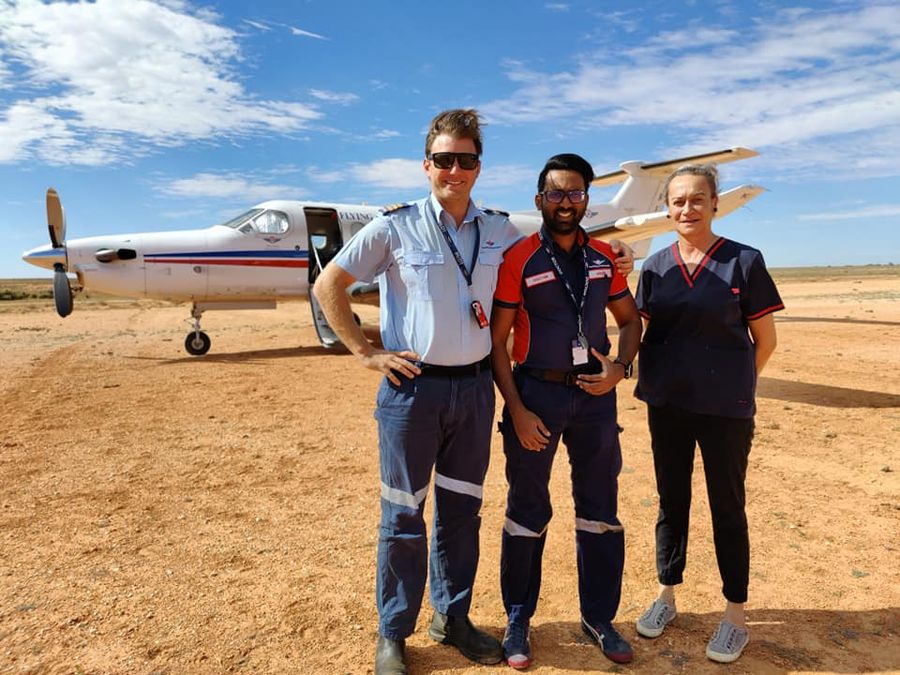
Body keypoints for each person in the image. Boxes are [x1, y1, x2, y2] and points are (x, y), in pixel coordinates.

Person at [314, 110, 634, 674]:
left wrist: (619, 254)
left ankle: (453, 617)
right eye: (444, 159)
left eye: (465, 160)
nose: (454, 170)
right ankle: (393, 631)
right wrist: (366, 352)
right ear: (427, 164)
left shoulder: (498, 229)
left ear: (478, 167)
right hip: (412, 391)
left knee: (462, 512)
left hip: (475, 390)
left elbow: (557, 243)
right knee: (403, 514)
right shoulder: (395, 226)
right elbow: (329, 284)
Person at [490, 153, 642, 669]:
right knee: (526, 509)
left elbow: (630, 320)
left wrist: (620, 367)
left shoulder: (604, 256)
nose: (565, 202)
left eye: (575, 193)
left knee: (600, 508)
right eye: (555, 193)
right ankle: (517, 618)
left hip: (596, 399)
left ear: (586, 200)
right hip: (538, 396)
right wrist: (517, 408)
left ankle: (599, 617)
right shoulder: (520, 260)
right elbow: (498, 341)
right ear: (539, 200)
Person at [632, 164, 783, 664]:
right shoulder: (655, 267)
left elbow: (765, 340)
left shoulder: (744, 261)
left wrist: (734, 385)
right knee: (671, 502)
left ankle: (735, 613)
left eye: (697, 199)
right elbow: (640, 330)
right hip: (668, 406)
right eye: (677, 201)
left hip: (726, 412)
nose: (686, 209)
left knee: (727, 506)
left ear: (715, 203)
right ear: (667, 207)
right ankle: (667, 594)